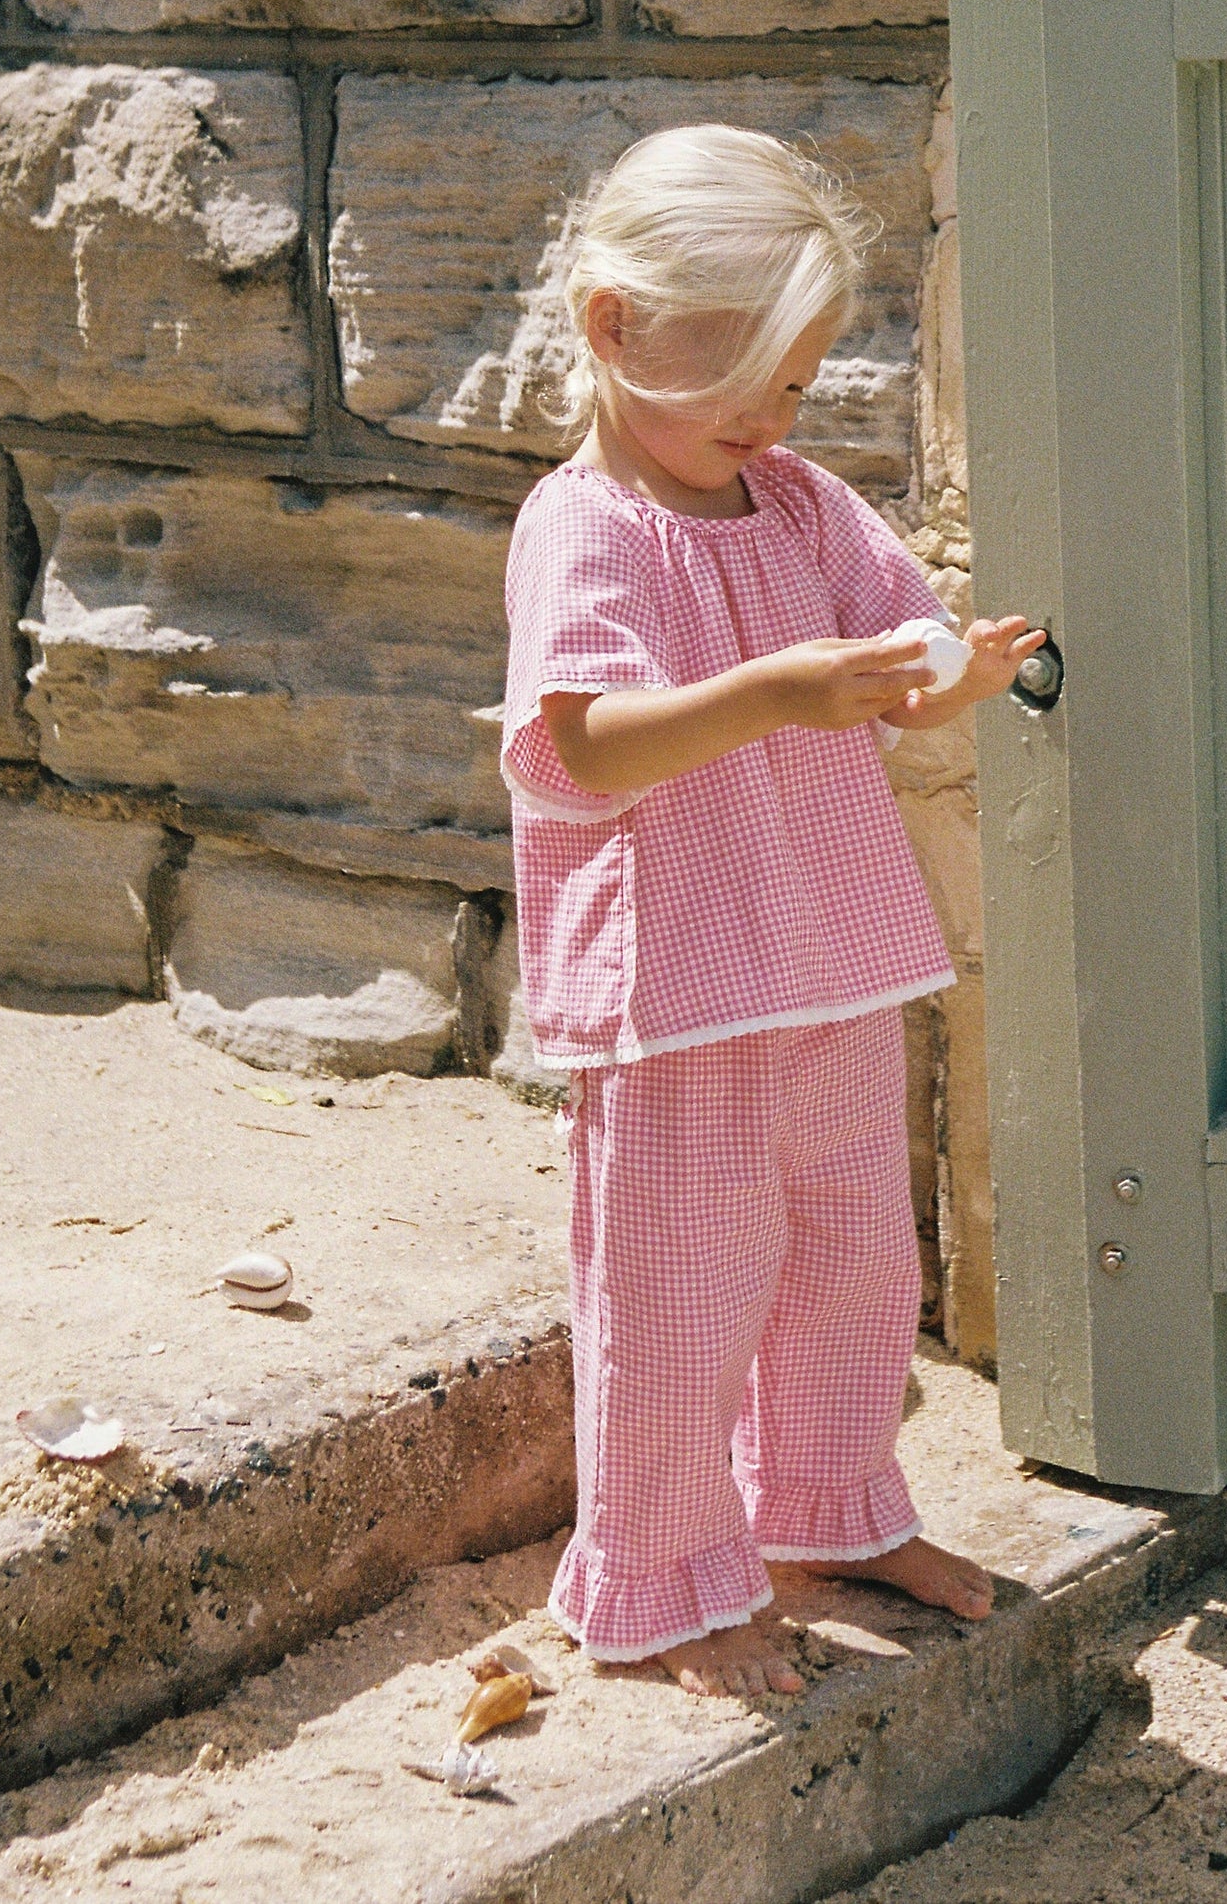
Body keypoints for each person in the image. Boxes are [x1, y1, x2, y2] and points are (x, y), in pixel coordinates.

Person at [501, 122, 1042, 1699]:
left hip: (827, 960)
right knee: (676, 1298)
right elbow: (580, 747)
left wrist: (950, 671)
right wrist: (777, 691)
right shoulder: (586, 528)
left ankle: (829, 1505)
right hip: (677, 992)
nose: (772, 416)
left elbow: (889, 653)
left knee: (856, 1267)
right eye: (740, 378)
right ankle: (665, 1578)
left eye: (795, 383)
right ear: (613, 325)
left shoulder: (798, 504)